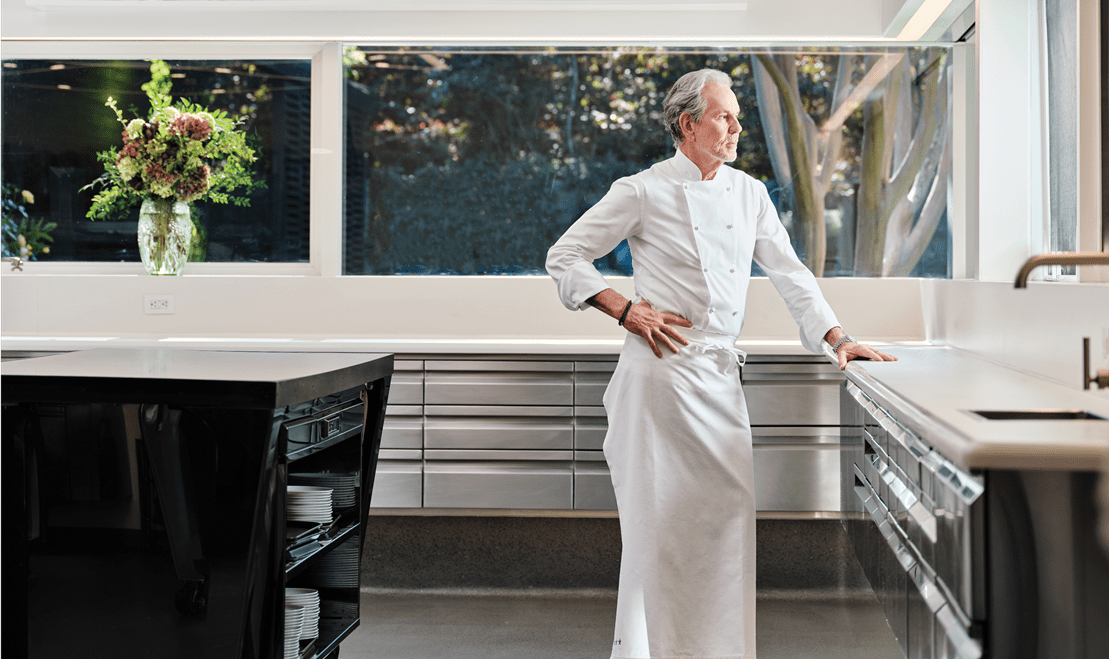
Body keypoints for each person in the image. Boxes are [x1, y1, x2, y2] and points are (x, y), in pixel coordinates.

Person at [545, 68, 896, 659]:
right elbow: (566, 254)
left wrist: (838, 336)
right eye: (724, 116)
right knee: (659, 534)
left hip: (717, 383)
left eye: (736, 117)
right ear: (688, 125)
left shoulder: (748, 193)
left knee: (725, 530)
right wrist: (624, 309)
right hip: (658, 384)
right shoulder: (642, 190)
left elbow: (790, 274)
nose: (737, 127)